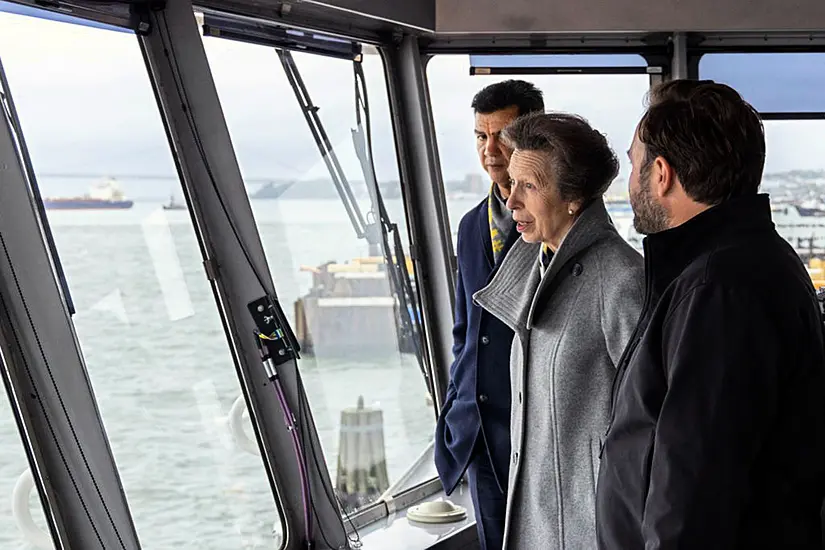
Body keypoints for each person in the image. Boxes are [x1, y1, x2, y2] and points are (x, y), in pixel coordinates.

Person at [595, 79, 825, 549]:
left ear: (662, 174)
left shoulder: (718, 289)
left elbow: (695, 490)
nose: (630, 180)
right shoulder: (739, 264)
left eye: (635, 163)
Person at [473, 111, 644, 549]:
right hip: (538, 519)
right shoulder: (535, 263)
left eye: (528, 186)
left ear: (574, 197)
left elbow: (652, 431)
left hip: (592, 529)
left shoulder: (623, 281)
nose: (511, 202)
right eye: (511, 184)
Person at [434, 79, 544, 550]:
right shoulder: (470, 225)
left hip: (536, 431)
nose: (491, 149)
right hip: (478, 430)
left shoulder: (558, 223)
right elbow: (465, 329)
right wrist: (455, 402)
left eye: (504, 134)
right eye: (482, 136)